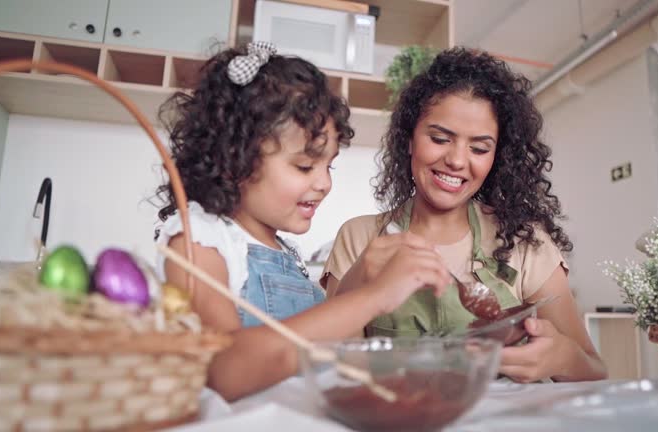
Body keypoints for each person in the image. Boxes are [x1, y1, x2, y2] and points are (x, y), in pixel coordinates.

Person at [155, 42, 452, 401]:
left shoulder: (283, 252)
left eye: (329, 166)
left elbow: (319, 339)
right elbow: (224, 370)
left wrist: (364, 274)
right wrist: (374, 297)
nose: (324, 183)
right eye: (305, 166)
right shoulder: (199, 241)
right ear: (234, 160)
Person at [322, 47, 607, 383]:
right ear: (409, 139)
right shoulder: (360, 238)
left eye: (479, 148)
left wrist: (562, 357)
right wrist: (362, 283)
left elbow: (596, 373)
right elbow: (334, 368)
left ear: (497, 157)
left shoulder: (523, 241)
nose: (457, 161)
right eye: (440, 138)